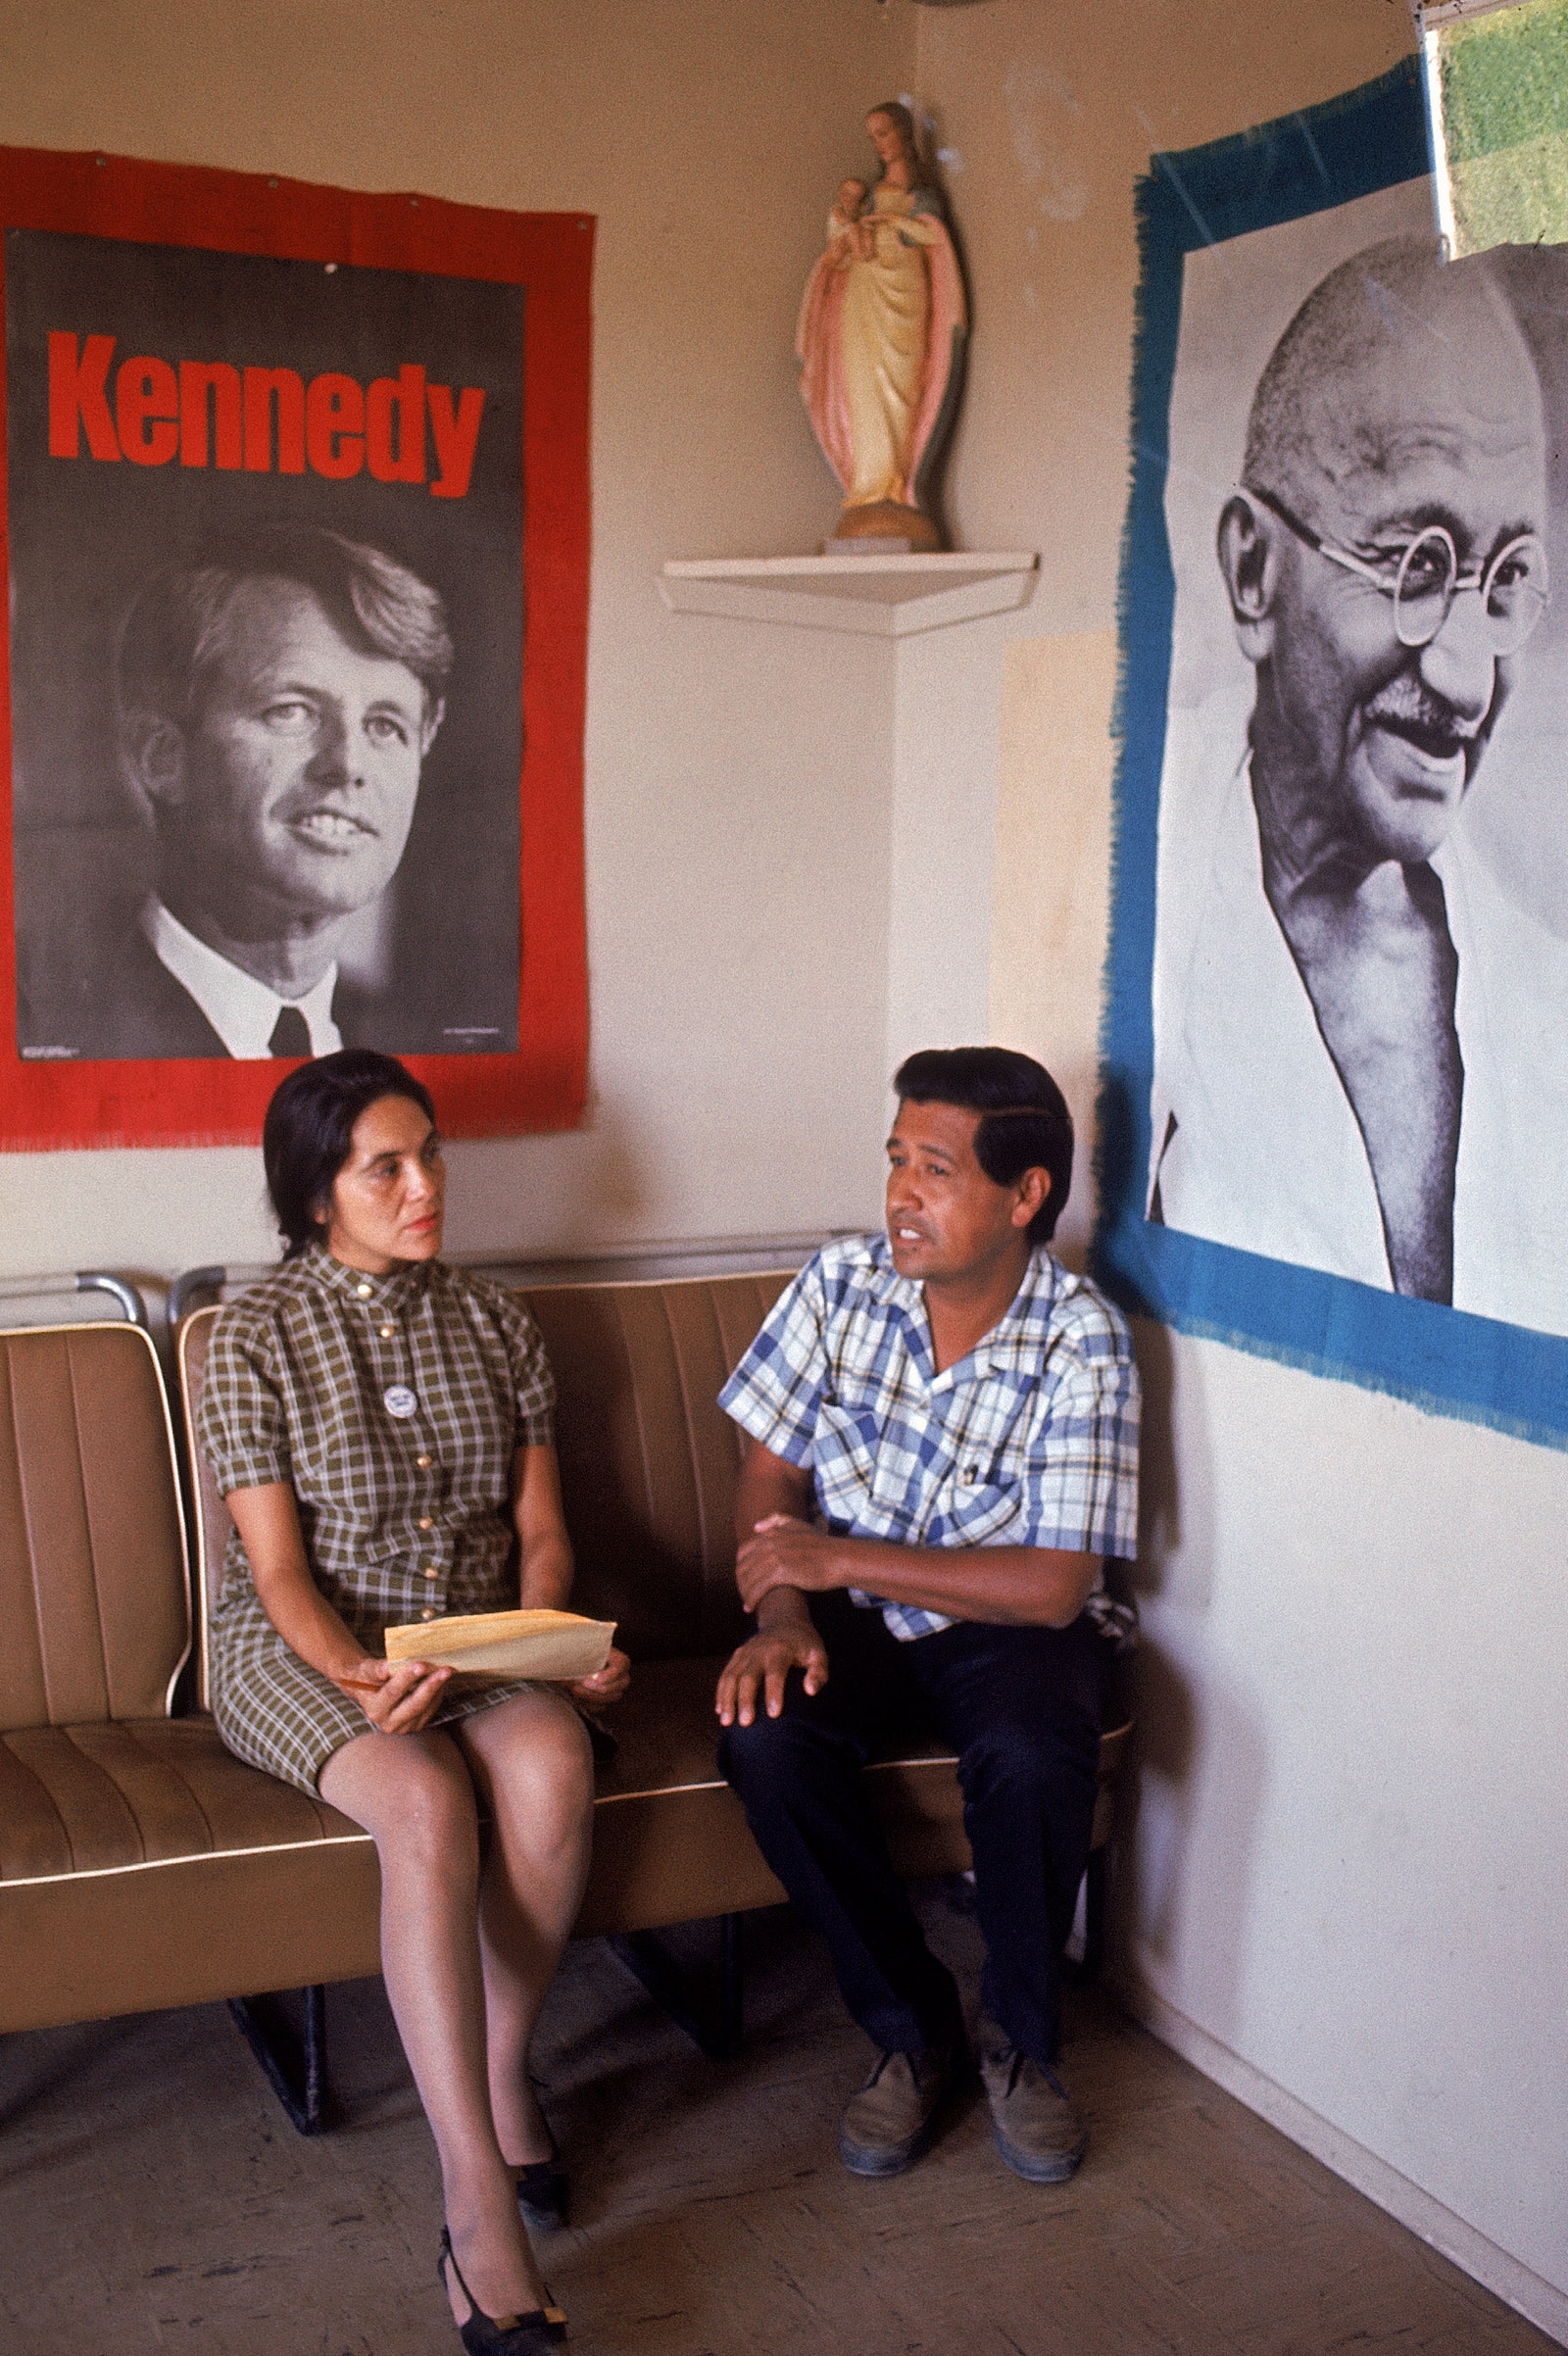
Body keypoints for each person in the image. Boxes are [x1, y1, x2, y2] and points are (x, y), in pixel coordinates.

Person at [197, 1049, 629, 2354]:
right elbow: (275, 1573)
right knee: (428, 1804)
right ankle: (474, 2199)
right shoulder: (252, 1335)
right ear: (317, 1192)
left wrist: (555, 1642)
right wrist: (366, 1676)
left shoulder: (497, 1320)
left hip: (478, 1637)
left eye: (430, 1154)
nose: (425, 1183)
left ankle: (504, 2071)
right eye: (386, 1165)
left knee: (554, 1762)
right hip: (305, 1649)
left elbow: (540, 1537)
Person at [714, 1048, 1140, 2184]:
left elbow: (1054, 1582)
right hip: (844, 1615)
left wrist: (836, 1549)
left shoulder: (1082, 1337)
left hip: (998, 1620)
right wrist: (786, 1610)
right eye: (897, 1159)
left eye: (936, 1169)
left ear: (1024, 1193)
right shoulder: (841, 1282)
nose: (902, 1193)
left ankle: (1023, 2045)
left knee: (1031, 1745)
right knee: (763, 1734)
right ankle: (912, 2029)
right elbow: (767, 1479)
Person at [1150, 234, 1568, 1333]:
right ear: (1253, 571)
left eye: (1507, 579)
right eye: (1413, 566)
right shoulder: (1144, 916)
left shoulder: (1546, 1006)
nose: (1463, 676)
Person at [30, 525, 454, 1061]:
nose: (348, 765)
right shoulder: (55, 1029)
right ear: (161, 757)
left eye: (386, 727)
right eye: (292, 712)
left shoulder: (419, 1053)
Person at [796, 102, 966, 547]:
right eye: (873, 136)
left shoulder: (924, 192)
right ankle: (868, 487)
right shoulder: (867, 195)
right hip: (863, 288)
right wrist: (847, 224)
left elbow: (933, 235)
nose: (879, 143)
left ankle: (898, 486)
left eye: (885, 133)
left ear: (904, 135)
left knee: (903, 384)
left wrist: (892, 224)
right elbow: (841, 238)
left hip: (905, 289)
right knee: (862, 384)